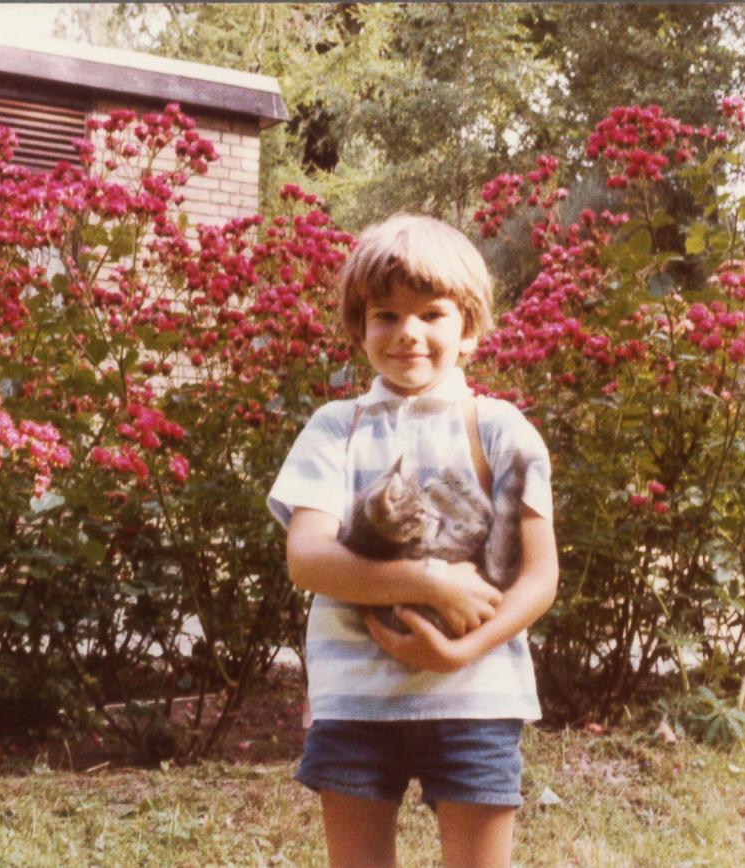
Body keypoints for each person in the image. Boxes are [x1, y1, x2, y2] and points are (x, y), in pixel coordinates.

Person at [267, 213, 559, 867]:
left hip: (477, 695)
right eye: (386, 315)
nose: (408, 332)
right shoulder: (335, 428)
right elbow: (307, 559)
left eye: (432, 314)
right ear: (359, 328)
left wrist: (462, 651)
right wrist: (430, 580)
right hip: (356, 702)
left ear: (469, 329)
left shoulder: (501, 429)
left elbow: (540, 577)